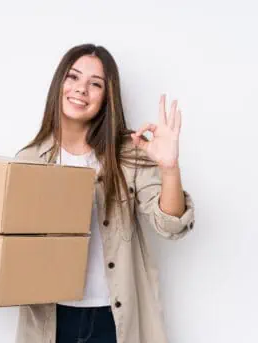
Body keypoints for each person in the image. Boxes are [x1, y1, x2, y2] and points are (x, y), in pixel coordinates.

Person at [15, 44, 195, 343]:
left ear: (107, 96)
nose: (81, 89)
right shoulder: (28, 160)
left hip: (114, 319)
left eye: (95, 83)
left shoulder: (128, 156)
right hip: (50, 318)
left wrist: (169, 167)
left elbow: (171, 226)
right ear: (59, 83)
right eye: (73, 77)